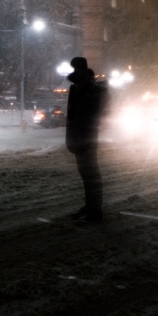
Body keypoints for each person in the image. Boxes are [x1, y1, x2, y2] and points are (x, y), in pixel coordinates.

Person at [66, 56, 108, 225]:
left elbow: (90, 113)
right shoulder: (79, 87)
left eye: (76, 68)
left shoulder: (91, 88)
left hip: (87, 135)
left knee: (91, 174)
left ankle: (95, 210)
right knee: (86, 173)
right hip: (79, 135)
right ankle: (90, 207)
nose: (74, 71)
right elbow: (74, 114)